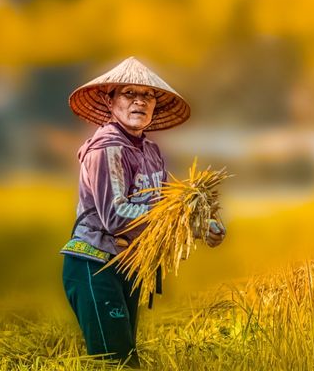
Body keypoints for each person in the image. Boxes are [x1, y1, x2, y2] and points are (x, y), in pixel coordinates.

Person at [60, 57, 226, 367]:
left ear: (155, 105)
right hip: (94, 264)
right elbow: (117, 216)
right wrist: (180, 219)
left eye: (147, 95)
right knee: (115, 360)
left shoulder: (151, 152)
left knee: (126, 356)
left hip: (128, 266)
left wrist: (201, 224)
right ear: (110, 101)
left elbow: (168, 205)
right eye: (129, 93)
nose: (140, 101)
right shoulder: (107, 148)